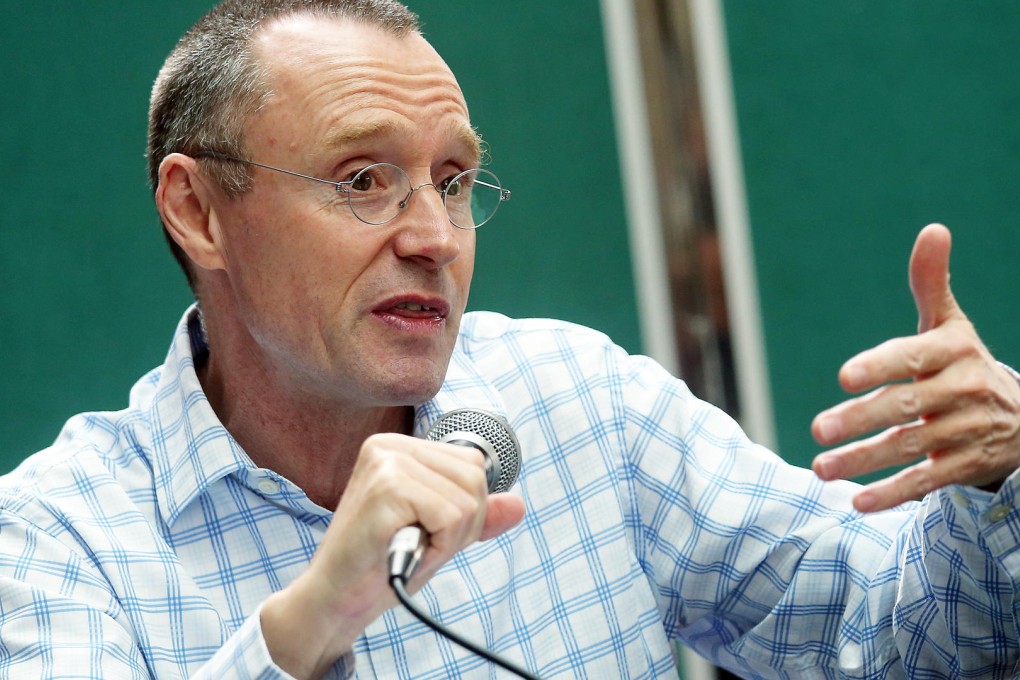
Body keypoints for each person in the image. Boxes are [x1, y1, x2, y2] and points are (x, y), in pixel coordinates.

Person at [1, 1, 1019, 677]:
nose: (434, 237)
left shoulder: (579, 399)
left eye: (452, 181)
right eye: (362, 180)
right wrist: (312, 618)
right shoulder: (58, 539)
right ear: (198, 210)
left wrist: (992, 483)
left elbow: (890, 640)